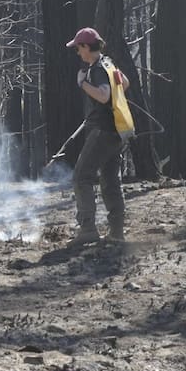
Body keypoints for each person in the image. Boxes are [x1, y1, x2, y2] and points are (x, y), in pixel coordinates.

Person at [64, 27, 126, 246]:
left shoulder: (97, 69)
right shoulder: (108, 63)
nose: (78, 53)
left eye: (78, 49)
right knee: (110, 181)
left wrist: (83, 83)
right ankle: (117, 232)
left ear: (86, 47)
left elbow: (103, 95)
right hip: (117, 131)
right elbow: (125, 83)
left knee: (81, 177)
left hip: (102, 131)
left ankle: (88, 229)